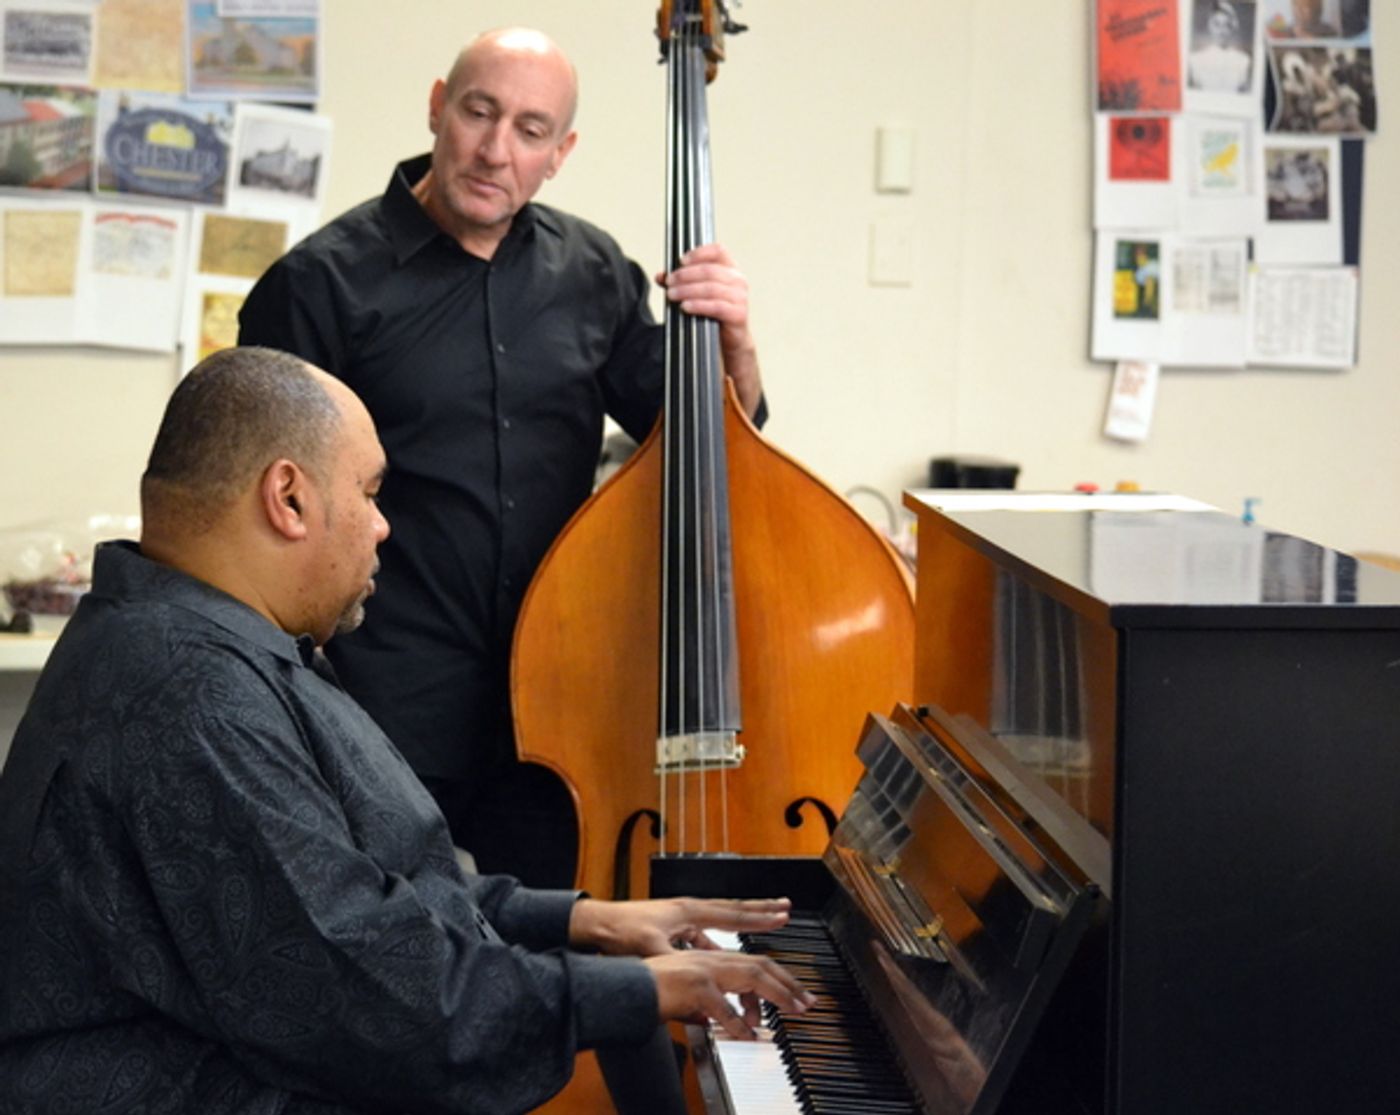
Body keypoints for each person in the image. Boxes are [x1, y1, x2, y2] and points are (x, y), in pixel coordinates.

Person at [0, 347, 811, 1115]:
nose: (384, 526)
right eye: (371, 491)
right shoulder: (190, 692)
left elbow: (374, 887)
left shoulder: (207, 637)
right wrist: (642, 990)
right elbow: (377, 997)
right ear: (288, 498)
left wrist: (586, 919)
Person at [237, 27, 765, 886]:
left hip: (558, 708)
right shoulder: (320, 285)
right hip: (381, 703)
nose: (494, 149)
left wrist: (734, 345)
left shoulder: (594, 272)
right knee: (399, 964)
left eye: (528, 129)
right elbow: (254, 508)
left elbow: (708, 453)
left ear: (560, 152)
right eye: (479, 113)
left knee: (563, 959)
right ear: (439, 107)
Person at [1187, 0, 1253, 93]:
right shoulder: (1195, 60)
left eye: (1226, 25)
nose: (1221, 31)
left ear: (1232, 29)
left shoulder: (1243, 61)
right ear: (1210, 26)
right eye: (1217, 24)